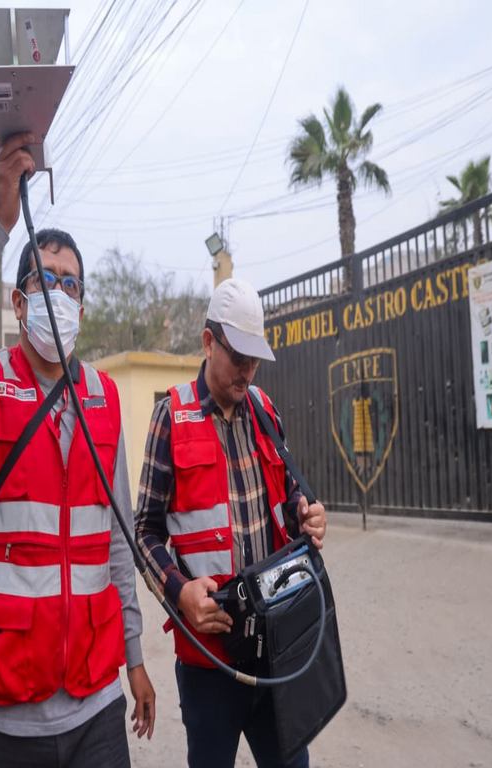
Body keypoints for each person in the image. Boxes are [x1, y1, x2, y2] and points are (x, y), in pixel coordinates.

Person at [0, 133, 155, 768]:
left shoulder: (103, 398)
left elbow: (117, 543)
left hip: (97, 701)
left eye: (72, 286)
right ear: (20, 303)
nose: (60, 295)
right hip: (9, 710)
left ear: (81, 307)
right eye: (46, 280)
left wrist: (134, 656)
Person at [135, 278, 327, 768]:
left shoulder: (264, 409)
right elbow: (145, 532)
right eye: (238, 356)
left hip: (275, 645)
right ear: (208, 342)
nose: (248, 371)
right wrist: (178, 591)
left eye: (255, 359)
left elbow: (288, 497)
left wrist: (304, 515)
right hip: (209, 660)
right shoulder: (170, 418)